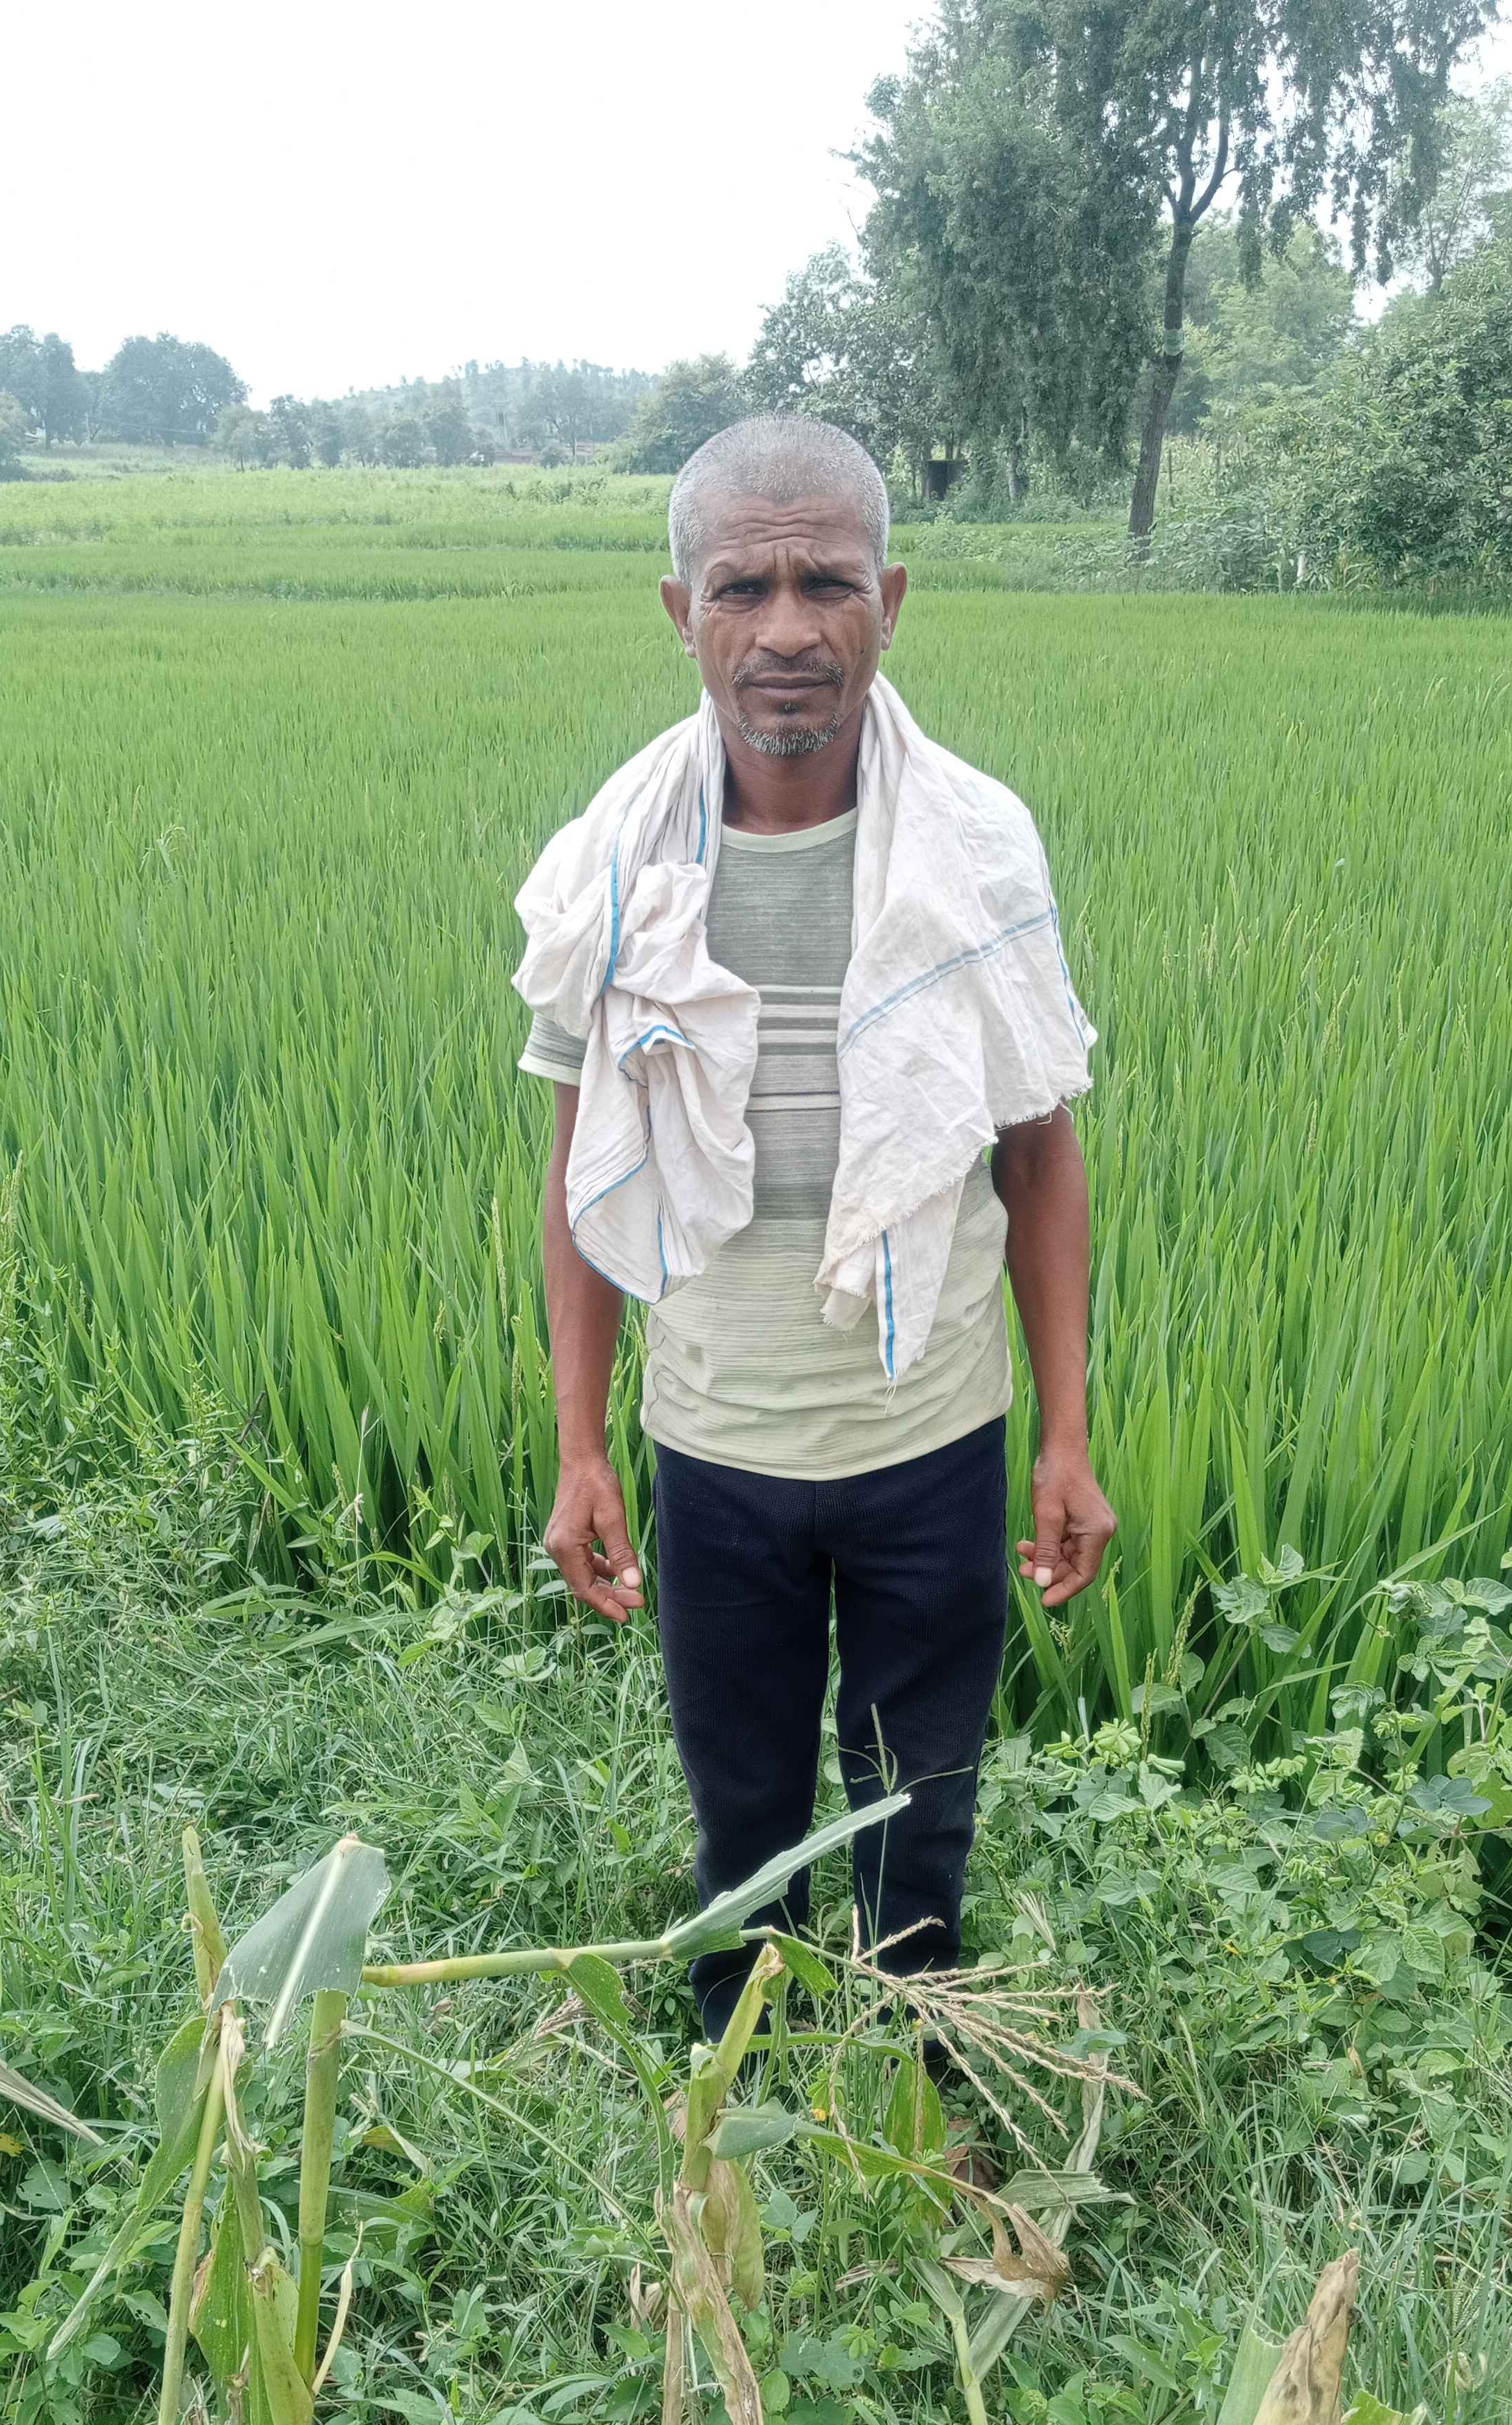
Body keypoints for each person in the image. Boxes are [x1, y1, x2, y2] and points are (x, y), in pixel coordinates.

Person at [514, 415, 1113, 2047]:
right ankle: (735, 2094)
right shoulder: (616, 866)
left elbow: (1039, 1148)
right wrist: (582, 1445)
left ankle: (921, 2072)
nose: (787, 628)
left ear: (890, 601)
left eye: (827, 583)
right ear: (683, 613)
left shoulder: (971, 846)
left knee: (922, 1812)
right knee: (742, 1812)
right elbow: (580, 1168)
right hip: (717, 1437)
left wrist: (1067, 1437)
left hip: (934, 1429)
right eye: (744, 586)